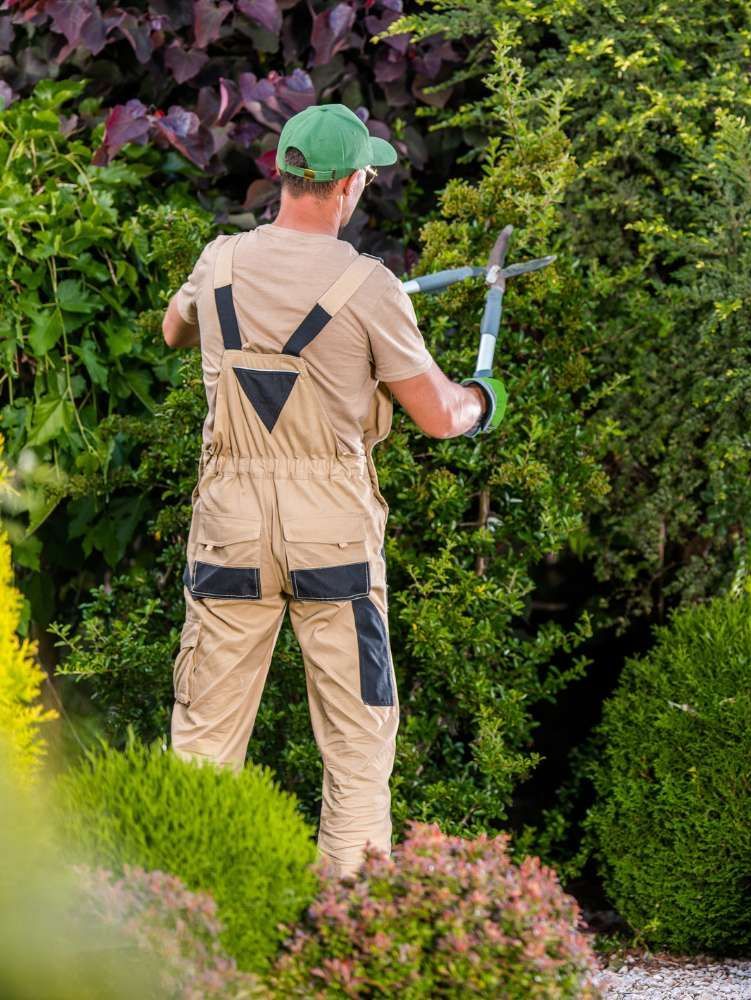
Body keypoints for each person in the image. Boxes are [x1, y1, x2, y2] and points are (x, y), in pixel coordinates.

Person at [160, 103, 507, 879]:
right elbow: (441, 416)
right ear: (350, 185)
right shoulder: (371, 287)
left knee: (204, 740)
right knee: (356, 739)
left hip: (230, 525)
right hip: (333, 534)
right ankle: (347, 934)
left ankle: (181, 938)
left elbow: (174, 332)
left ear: (282, 175)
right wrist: (486, 399)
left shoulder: (217, 263)